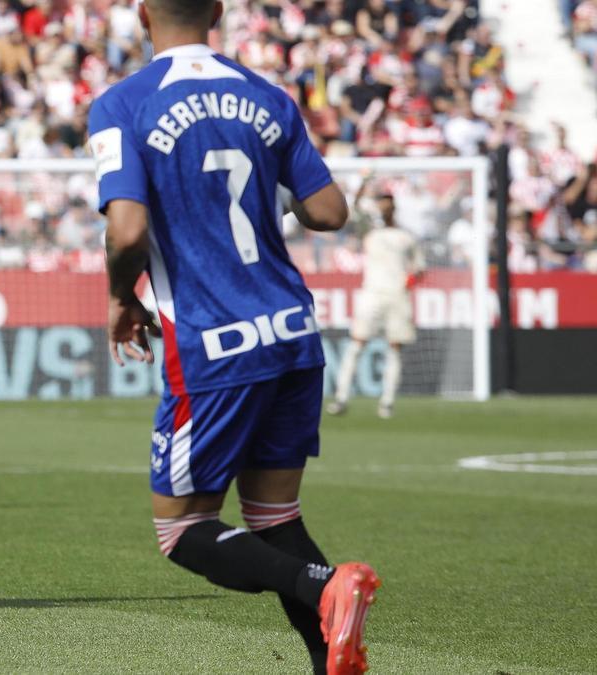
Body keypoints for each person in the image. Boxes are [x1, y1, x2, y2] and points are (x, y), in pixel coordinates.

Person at [89, 2, 379, 673]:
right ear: (217, 11)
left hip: (214, 339)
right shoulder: (266, 95)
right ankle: (330, 656)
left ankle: (326, 585)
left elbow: (127, 230)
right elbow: (329, 211)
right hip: (293, 330)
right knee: (274, 514)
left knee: (183, 529)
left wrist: (117, 297)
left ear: (141, 15)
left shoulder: (122, 104)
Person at [327, 193, 424, 419]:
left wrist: (410, 279)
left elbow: (419, 267)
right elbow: (353, 207)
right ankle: (341, 397)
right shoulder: (370, 232)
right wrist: (363, 185)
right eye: (380, 205)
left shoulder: (406, 237)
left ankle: (387, 402)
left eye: (386, 205)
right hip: (371, 293)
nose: (383, 209)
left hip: (397, 296)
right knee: (357, 344)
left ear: (393, 208)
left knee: (394, 348)